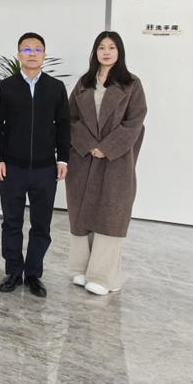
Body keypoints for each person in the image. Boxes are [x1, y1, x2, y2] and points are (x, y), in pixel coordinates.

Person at [66, 31, 147, 295]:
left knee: (111, 214)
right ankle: (79, 268)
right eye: (101, 47)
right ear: (95, 52)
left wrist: (106, 147)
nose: (106, 52)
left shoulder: (132, 84)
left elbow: (135, 122)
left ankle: (102, 276)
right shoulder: (84, 82)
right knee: (80, 212)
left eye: (112, 47)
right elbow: (71, 118)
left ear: (119, 52)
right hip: (84, 157)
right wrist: (90, 145)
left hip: (116, 161)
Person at [0, 32, 71, 298]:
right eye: (26, 50)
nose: (32, 54)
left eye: (37, 49)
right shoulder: (5, 87)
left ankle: (34, 274)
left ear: (44, 55)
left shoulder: (55, 87)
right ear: (19, 55)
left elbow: (64, 125)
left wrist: (63, 159)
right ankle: (14, 271)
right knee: (11, 223)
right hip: (12, 167)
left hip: (45, 169)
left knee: (41, 225)